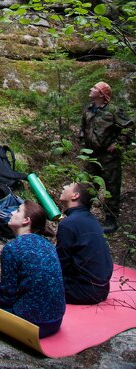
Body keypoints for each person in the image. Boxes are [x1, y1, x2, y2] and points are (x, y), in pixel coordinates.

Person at [0, 201, 66, 338]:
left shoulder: (13, 248)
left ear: (26, 220)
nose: (12, 212)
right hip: (55, 321)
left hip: (31, 326)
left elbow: (6, 298)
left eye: (18, 210)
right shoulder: (48, 245)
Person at [80, 81, 134, 233]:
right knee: (88, 185)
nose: (91, 89)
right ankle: (84, 215)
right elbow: (83, 127)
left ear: (102, 94)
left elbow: (128, 127)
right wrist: (82, 140)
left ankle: (111, 220)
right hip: (91, 155)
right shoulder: (89, 109)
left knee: (112, 187)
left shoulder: (114, 110)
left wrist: (117, 144)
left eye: (95, 88)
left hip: (109, 158)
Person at [57, 181, 113, 304]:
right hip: (101, 290)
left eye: (69, 186)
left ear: (75, 195)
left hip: (81, 292)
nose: (64, 186)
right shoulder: (92, 220)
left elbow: (61, 264)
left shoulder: (68, 224)